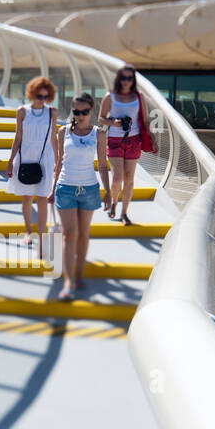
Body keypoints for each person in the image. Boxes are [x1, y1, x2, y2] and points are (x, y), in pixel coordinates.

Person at [50, 93, 109, 300]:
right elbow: (58, 164)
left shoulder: (99, 134)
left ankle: (79, 275)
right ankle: (69, 282)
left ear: (92, 111)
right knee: (69, 234)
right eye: (76, 111)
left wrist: (108, 191)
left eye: (85, 111)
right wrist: (53, 187)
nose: (80, 115)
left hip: (89, 189)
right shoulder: (63, 132)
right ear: (72, 111)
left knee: (83, 233)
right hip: (65, 187)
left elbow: (102, 164)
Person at [99, 65, 158, 225]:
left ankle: (124, 213)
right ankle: (114, 203)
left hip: (134, 140)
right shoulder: (110, 96)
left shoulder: (139, 96)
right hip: (115, 140)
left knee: (129, 179)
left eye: (129, 78)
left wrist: (152, 137)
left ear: (133, 80)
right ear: (119, 79)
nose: (126, 81)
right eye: (123, 78)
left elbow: (145, 119)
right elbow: (101, 118)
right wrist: (114, 123)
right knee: (117, 178)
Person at [5, 76, 57, 252]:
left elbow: (53, 138)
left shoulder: (52, 112)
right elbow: (17, 137)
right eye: (38, 96)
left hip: (45, 158)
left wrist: (57, 161)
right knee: (26, 197)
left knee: (43, 199)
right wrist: (10, 160)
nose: (41, 100)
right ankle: (28, 231)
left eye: (44, 97)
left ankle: (42, 238)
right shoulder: (22, 111)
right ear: (31, 94)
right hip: (25, 156)